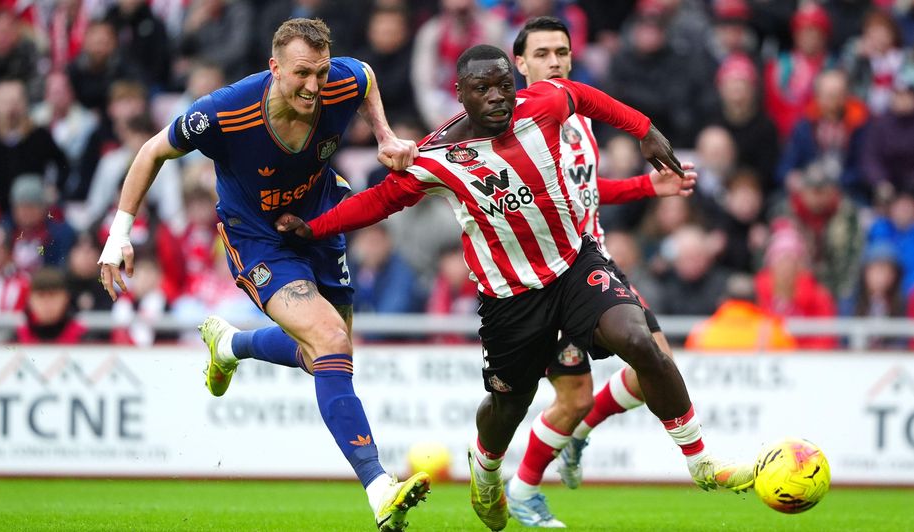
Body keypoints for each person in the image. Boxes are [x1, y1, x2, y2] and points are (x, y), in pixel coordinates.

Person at [278, 44, 755, 532]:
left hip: (574, 266)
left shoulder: (541, 104)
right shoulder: (436, 157)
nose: (497, 97)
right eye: (482, 88)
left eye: (504, 85)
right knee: (510, 404)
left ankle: (701, 461)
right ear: (459, 93)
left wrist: (645, 130)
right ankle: (486, 471)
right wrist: (314, 228)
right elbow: (380, 201)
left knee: (639, 341)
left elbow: (583, 95)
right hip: (511, 298)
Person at [97, 18, 429, 532]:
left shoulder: (341, 81)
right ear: (274, 67)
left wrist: (385, 135)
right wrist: (118, 234)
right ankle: (380, 487)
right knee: (329, 339)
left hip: (320, 222)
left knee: (325, 356)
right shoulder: (223, 112)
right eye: (302, 74)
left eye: (321, 73)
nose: (314, 86)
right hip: (257, 240)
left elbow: (365, 75)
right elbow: (151, 151)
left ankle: (231, 345)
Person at [501, 17, 696, 527]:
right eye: (541, 54)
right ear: (519, 63)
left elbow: (585, 190)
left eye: (561, 52)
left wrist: (646, 188)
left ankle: (579, 434)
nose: (554, 62)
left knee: (656, 364)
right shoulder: (515, 126)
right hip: (547, 279)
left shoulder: (579, 119)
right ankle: (522, 490)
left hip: (595, 264)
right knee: (573, 398)